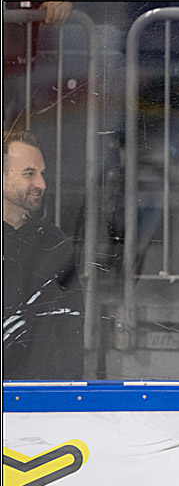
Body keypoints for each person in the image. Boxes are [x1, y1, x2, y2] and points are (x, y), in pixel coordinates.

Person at [2, 128, 83, 380]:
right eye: (29, 174)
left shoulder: (53, 242)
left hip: (41, 397)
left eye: (41, 173)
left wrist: (67, 394)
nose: (41, 184)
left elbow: (72, 326)